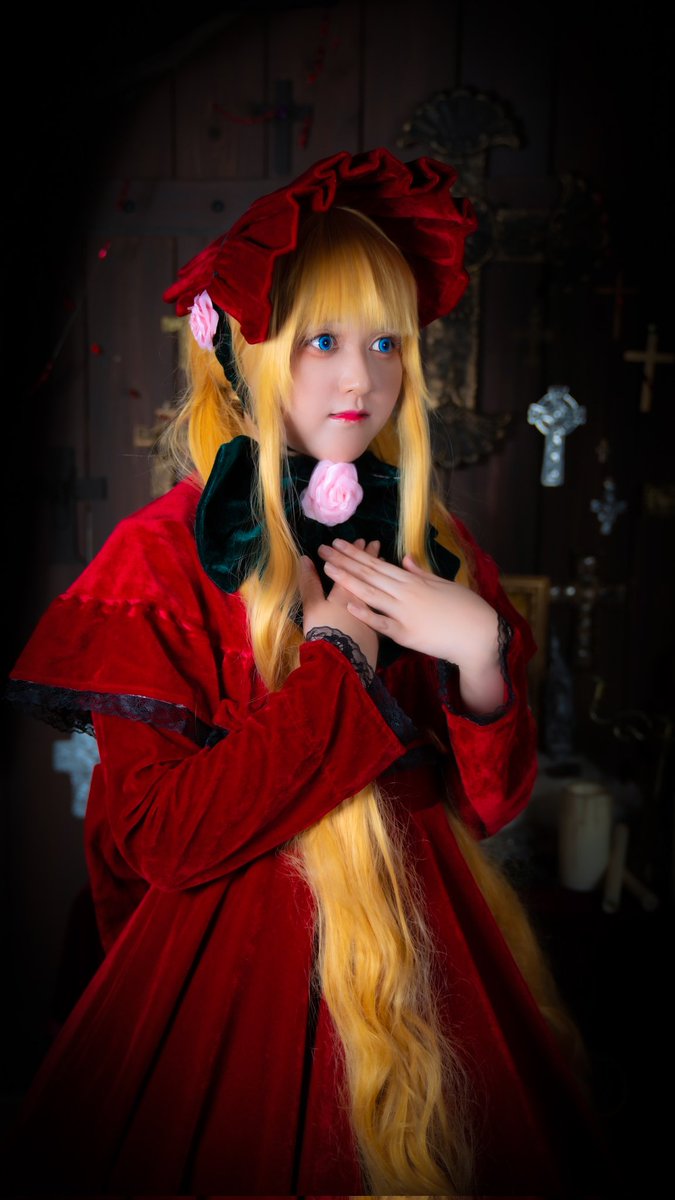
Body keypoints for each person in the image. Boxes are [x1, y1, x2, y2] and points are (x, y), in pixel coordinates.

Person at [3, 147, 613, 1196]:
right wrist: (336, 662)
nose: (361, 378)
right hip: (233, 972)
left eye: (385, 342)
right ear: (246, 349)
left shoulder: (432, 541)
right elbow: (157, 842)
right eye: (323, 340)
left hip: (428, 958)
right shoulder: (160, 558)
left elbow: (492, 805)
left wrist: (479, 658)